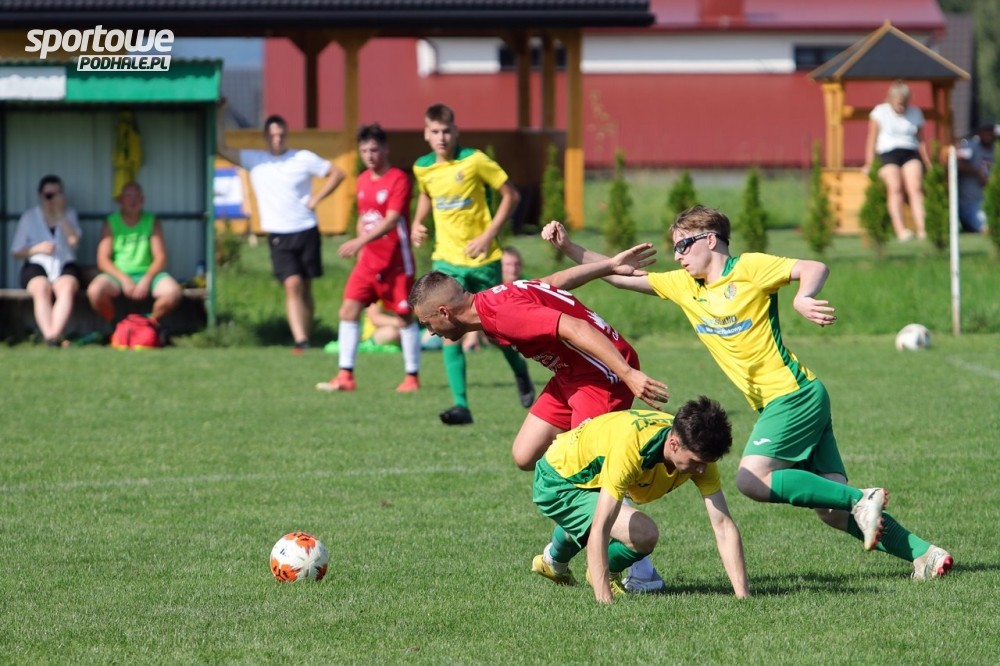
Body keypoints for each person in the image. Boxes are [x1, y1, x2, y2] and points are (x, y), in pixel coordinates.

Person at [544, 206, 953, 581]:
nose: (677, 256)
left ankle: (863, 498)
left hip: (793, 395)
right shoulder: (685, 286)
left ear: (710, 240)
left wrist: (803, 296)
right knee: (831, 510)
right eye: (674, 248)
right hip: (793, 399)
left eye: (683, 245)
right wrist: (569, 248)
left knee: (752, 479)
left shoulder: (750, 268)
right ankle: (925, 555)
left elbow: (814, 266)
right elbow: (618, 275)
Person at [411, 243, 672, 593]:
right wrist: (608, 265)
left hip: (601, 377)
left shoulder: (501, 314)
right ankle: (559, 553)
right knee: (525, 454)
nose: (430, 332)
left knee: (592, 472)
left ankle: (639, 571)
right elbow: (554, 282)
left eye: (427, 323)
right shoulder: (492, 299)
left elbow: (574, 328)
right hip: (570, 375)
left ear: (444, 312)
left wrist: (627, 374)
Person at [530, 400, 750, 604]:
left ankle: (552, 562)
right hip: (558, 481)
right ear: (673, 444)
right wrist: (605, 603)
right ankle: (603, 574)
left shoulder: (698, 451)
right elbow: (601, 527)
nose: (702, 470)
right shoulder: (632, 449)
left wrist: (743, 598)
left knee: (596, 515)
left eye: (707, 462)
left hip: (591, 474)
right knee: (642, 533)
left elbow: (723, 525)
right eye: (697, 462)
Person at [411, 103, 534, 425]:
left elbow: (511, 195)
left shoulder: (475, 160)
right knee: (446, 325)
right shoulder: (423, 168)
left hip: (483, 260)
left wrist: (488, 235)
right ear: (426, 134)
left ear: (456, 131)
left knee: (497, 331)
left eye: (446, 131)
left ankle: (520, 370)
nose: (441, 137)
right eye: (435, 131)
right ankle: (461, 405)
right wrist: (418, 222)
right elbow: (426, 194)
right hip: (446, 260)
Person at [217, 112, 344, 353]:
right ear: (266, 137)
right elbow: (222, 148)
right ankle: (300, 340)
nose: (277, 139)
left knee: (306, 286)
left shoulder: (302, 158)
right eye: (273, 135)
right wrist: (220, 116)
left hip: (306, 229)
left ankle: (308, 336)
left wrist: (317, 198)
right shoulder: (256, 161)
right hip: (278, 233)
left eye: (281, 134)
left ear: (286, 135)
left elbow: (337, 173)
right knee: (292, 284)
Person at [316, 124, 420, 393]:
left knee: (404, 316)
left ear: (385, 149)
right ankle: (345, 376)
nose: (369, 156)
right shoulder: (362, 180)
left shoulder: (398, 179)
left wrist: (360, 241)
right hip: (368, 263)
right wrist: (362, 248)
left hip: (397, 263)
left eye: (374, 150)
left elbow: (392, 219)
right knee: (348, 310)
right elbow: (365, 217)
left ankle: (412, 377)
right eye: (364, 151)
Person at [87, 181, 183, 329]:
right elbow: (103, 260)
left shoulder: (151, 221)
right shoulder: (111, 222)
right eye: (128, 196)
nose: (133, 201)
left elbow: (161, 258)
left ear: (142, 200)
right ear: (121, 201)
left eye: (136, 197)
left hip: (148, 274)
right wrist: (124, 279)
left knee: (173, 292)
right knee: (95, 292)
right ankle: (117, 328)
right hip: (118, 275)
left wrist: (147, 279)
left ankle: (146, 326)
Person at [10, 175, 82, 346]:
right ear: (41, 195)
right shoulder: (29, 217)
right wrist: (37, 249)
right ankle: (51, 336)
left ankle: (53, 336)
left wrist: (60, 215)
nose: (52, 199)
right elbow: (16, 251)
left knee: (66, 288)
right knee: (41, 288)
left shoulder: (69, 215)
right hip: (36, 264)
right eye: (49, 195)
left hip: (64, 263)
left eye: (57, 194)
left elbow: (74, 241)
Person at [863, 80, 931, 241]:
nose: (902, 107)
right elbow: (872, 139)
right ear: (891, 99)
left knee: (915, 187)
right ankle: (901, 230)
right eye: (899, 103)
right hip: (887, 154)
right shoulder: (879, 112)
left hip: (910, 152)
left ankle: (923, 229)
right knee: (895, 187)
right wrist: (869, 163)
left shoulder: (915, 113)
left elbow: (921, 140)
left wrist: (928, 162)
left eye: (904, 103)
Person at [956, 120, 995, 234]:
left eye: (991, 131)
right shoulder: (970, 146)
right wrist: (977, 172)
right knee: (985, 226)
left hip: (989, 201)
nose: (988, 134)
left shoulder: (995, 149)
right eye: (986, 131)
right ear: (979, 132)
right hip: (971, 204)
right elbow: (958, 164)